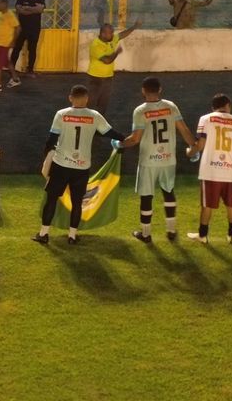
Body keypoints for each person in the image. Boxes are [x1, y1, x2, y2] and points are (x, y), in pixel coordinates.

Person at [34, 84, 123, 246]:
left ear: (70, 98)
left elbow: (51, 139)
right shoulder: (94, 116)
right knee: (77, 202)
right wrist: (124, 138)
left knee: (52, 199)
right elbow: (110, 133)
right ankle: (72, 236)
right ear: (87, 99)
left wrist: (46, 154)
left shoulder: (61, 114)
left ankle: (44, 234)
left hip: (61, 165)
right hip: (82, 167)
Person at [124, 77, 197, 244]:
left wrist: (119, 144)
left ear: (143, 90)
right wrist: (193, 146)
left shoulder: (140, 111)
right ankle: (171, 231)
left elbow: (135, 139)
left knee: (146, 196)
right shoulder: (170, 107)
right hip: (168, 158)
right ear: (160, 89)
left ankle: (146, 234)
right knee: (168, 192)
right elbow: (184, 129)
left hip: (148, 160)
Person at [187, 94, 232, 245]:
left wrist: (189, 152)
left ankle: (203, 235)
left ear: (213, 107)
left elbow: (200, 145)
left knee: (207, 205)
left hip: (211, 170)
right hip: (231, 170)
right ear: (228, 105)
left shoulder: (206, 119)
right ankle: (231, 236)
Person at [85, 22, 136, 113]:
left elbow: (122, 35)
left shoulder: (111, 39)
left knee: (104, 103)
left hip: (108, 77)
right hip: (95, 77)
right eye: (110, 33)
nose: (113, 35)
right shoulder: (96, 45)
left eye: (112, 32)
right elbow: (107, 61)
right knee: (91, 102)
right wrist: (116, 52)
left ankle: (100, 122)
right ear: (103, 34)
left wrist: (134, 26)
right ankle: (88, 121)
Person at [13, 0, 45, 76]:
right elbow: (19, 10)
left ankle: (30, 70)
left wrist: (26, 8)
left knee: (32, 49)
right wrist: (34, 9)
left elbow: (40, 9)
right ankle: (11, 68)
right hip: (22, 28)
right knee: (17, 48)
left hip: (34, 28)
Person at [0, 0, 19, 92]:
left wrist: (13, 41)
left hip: (5, 43)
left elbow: (18, 28)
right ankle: (15, 79)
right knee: (7, 62)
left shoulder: (10, 15)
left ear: (4, 4)